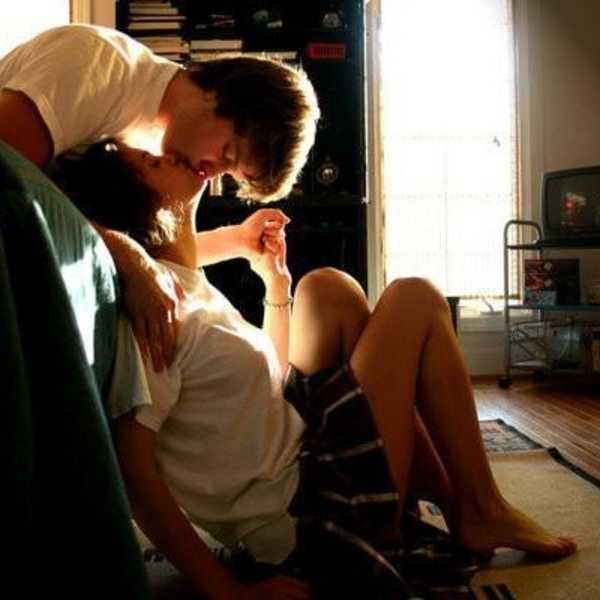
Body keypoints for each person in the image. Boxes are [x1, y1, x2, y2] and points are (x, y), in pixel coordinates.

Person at [65, 139, 577, 599]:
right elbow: (134, 472)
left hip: (307, 457)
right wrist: (227, 591)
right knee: (414, 299)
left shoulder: (185, 285)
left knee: (326, 289)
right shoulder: (154, 315)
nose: (171, 154)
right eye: (153, 162)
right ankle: (479, 507)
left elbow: (267, 386)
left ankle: (446, 494)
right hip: (313, 520)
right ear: (146, 208)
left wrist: (275, 286)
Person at [0, 24, 319, 371]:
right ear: (219, 94)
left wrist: (236, 241)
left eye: (228, 174)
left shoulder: (167, 146)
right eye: (226, 153)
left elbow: (167, 257)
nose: (210, 172)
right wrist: (126, 254)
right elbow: (6, 174)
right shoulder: (99, 67)